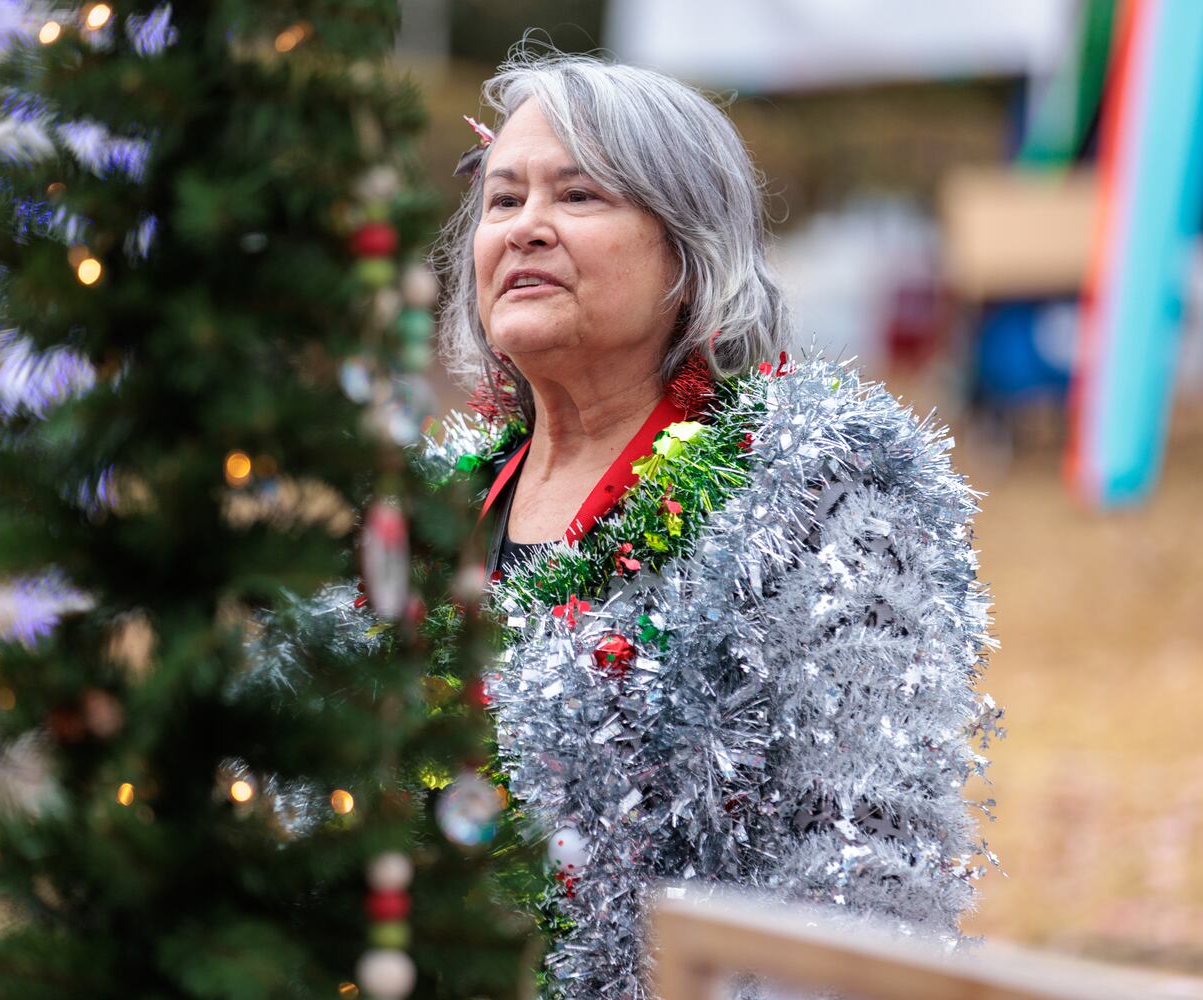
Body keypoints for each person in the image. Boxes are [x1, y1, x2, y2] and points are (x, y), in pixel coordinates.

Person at [417, 52, 1003, 999]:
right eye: (501, 200)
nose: (525, 227)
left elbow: (864, 876)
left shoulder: (820, 494)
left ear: (687, 253)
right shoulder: (421, 520)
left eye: (579, 195)